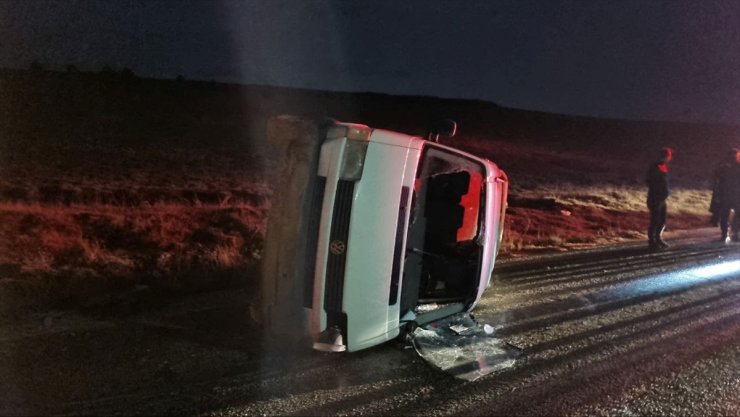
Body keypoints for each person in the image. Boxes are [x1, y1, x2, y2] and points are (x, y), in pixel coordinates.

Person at [710, 148, 740, 243]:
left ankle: (726, 234)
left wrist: (717, 194)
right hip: (734, 195)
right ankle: (733, 233)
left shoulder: (722, 167)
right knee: (735, 215)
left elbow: (716, 181)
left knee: (725, 215)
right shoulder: (729, 167)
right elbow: (716, 181)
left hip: (727, 195)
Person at [646, 147, 673, 250]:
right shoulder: (656, 166)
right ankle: (652, 241)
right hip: (655, 197)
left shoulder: (662, 166)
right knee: (655, 220)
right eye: (668, 156)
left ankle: (658, 238)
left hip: (661, 198)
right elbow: (652, 181)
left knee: (662, 220)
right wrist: (660, 191)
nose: (669, 158)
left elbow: (663, 182)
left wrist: (666, 191)